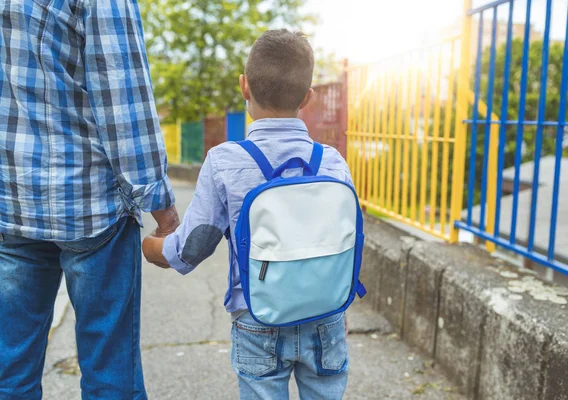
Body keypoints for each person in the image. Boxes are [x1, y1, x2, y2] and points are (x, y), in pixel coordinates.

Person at [143, 29, 353, 400]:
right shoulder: (333, 162)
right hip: (327, 317)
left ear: (244, 87)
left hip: (258, 319)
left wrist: (150, 246)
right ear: (308, 97)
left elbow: (193, 246)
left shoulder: (225, 160)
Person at [0, 1, 179, 399]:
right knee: (110, 374)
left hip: (10, 202)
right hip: (89, 205)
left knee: (9, 372)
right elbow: (123, 97)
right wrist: (164, 212)